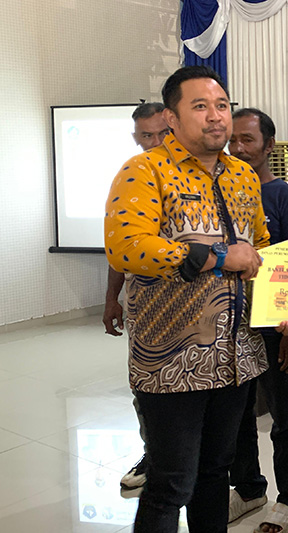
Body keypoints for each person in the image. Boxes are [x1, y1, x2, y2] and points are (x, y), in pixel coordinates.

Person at [104, 65, 288, 532]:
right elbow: (126, 246)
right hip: (171, 361)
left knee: (215, 473)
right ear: (172, 118)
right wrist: (218, 256)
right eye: (200, 106)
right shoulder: (144, 171)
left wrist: (287, 301)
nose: (216, 116)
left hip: (236, 358)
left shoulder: (243, 177)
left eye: (222, 105)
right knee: (171, 483)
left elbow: (261, 246)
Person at [226, 108, 288, 532]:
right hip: (230, 327)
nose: (239, 148)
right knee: (237, 414)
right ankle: (248, 489)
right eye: (233, 140)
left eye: (248, 139)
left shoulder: (283, 198)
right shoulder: (220, 192)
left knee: (284, 413)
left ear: (269, 146)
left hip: (275, 327)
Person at [101, 101, 170, 491]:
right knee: (145, 388)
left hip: (195, 312)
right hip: (145, 308)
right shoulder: (131, 179)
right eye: (147, 135)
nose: (156, 142)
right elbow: (120, 248)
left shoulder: (194, 178)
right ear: (136, 138)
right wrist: (112, 298)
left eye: (163, 133)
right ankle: (153, 457)